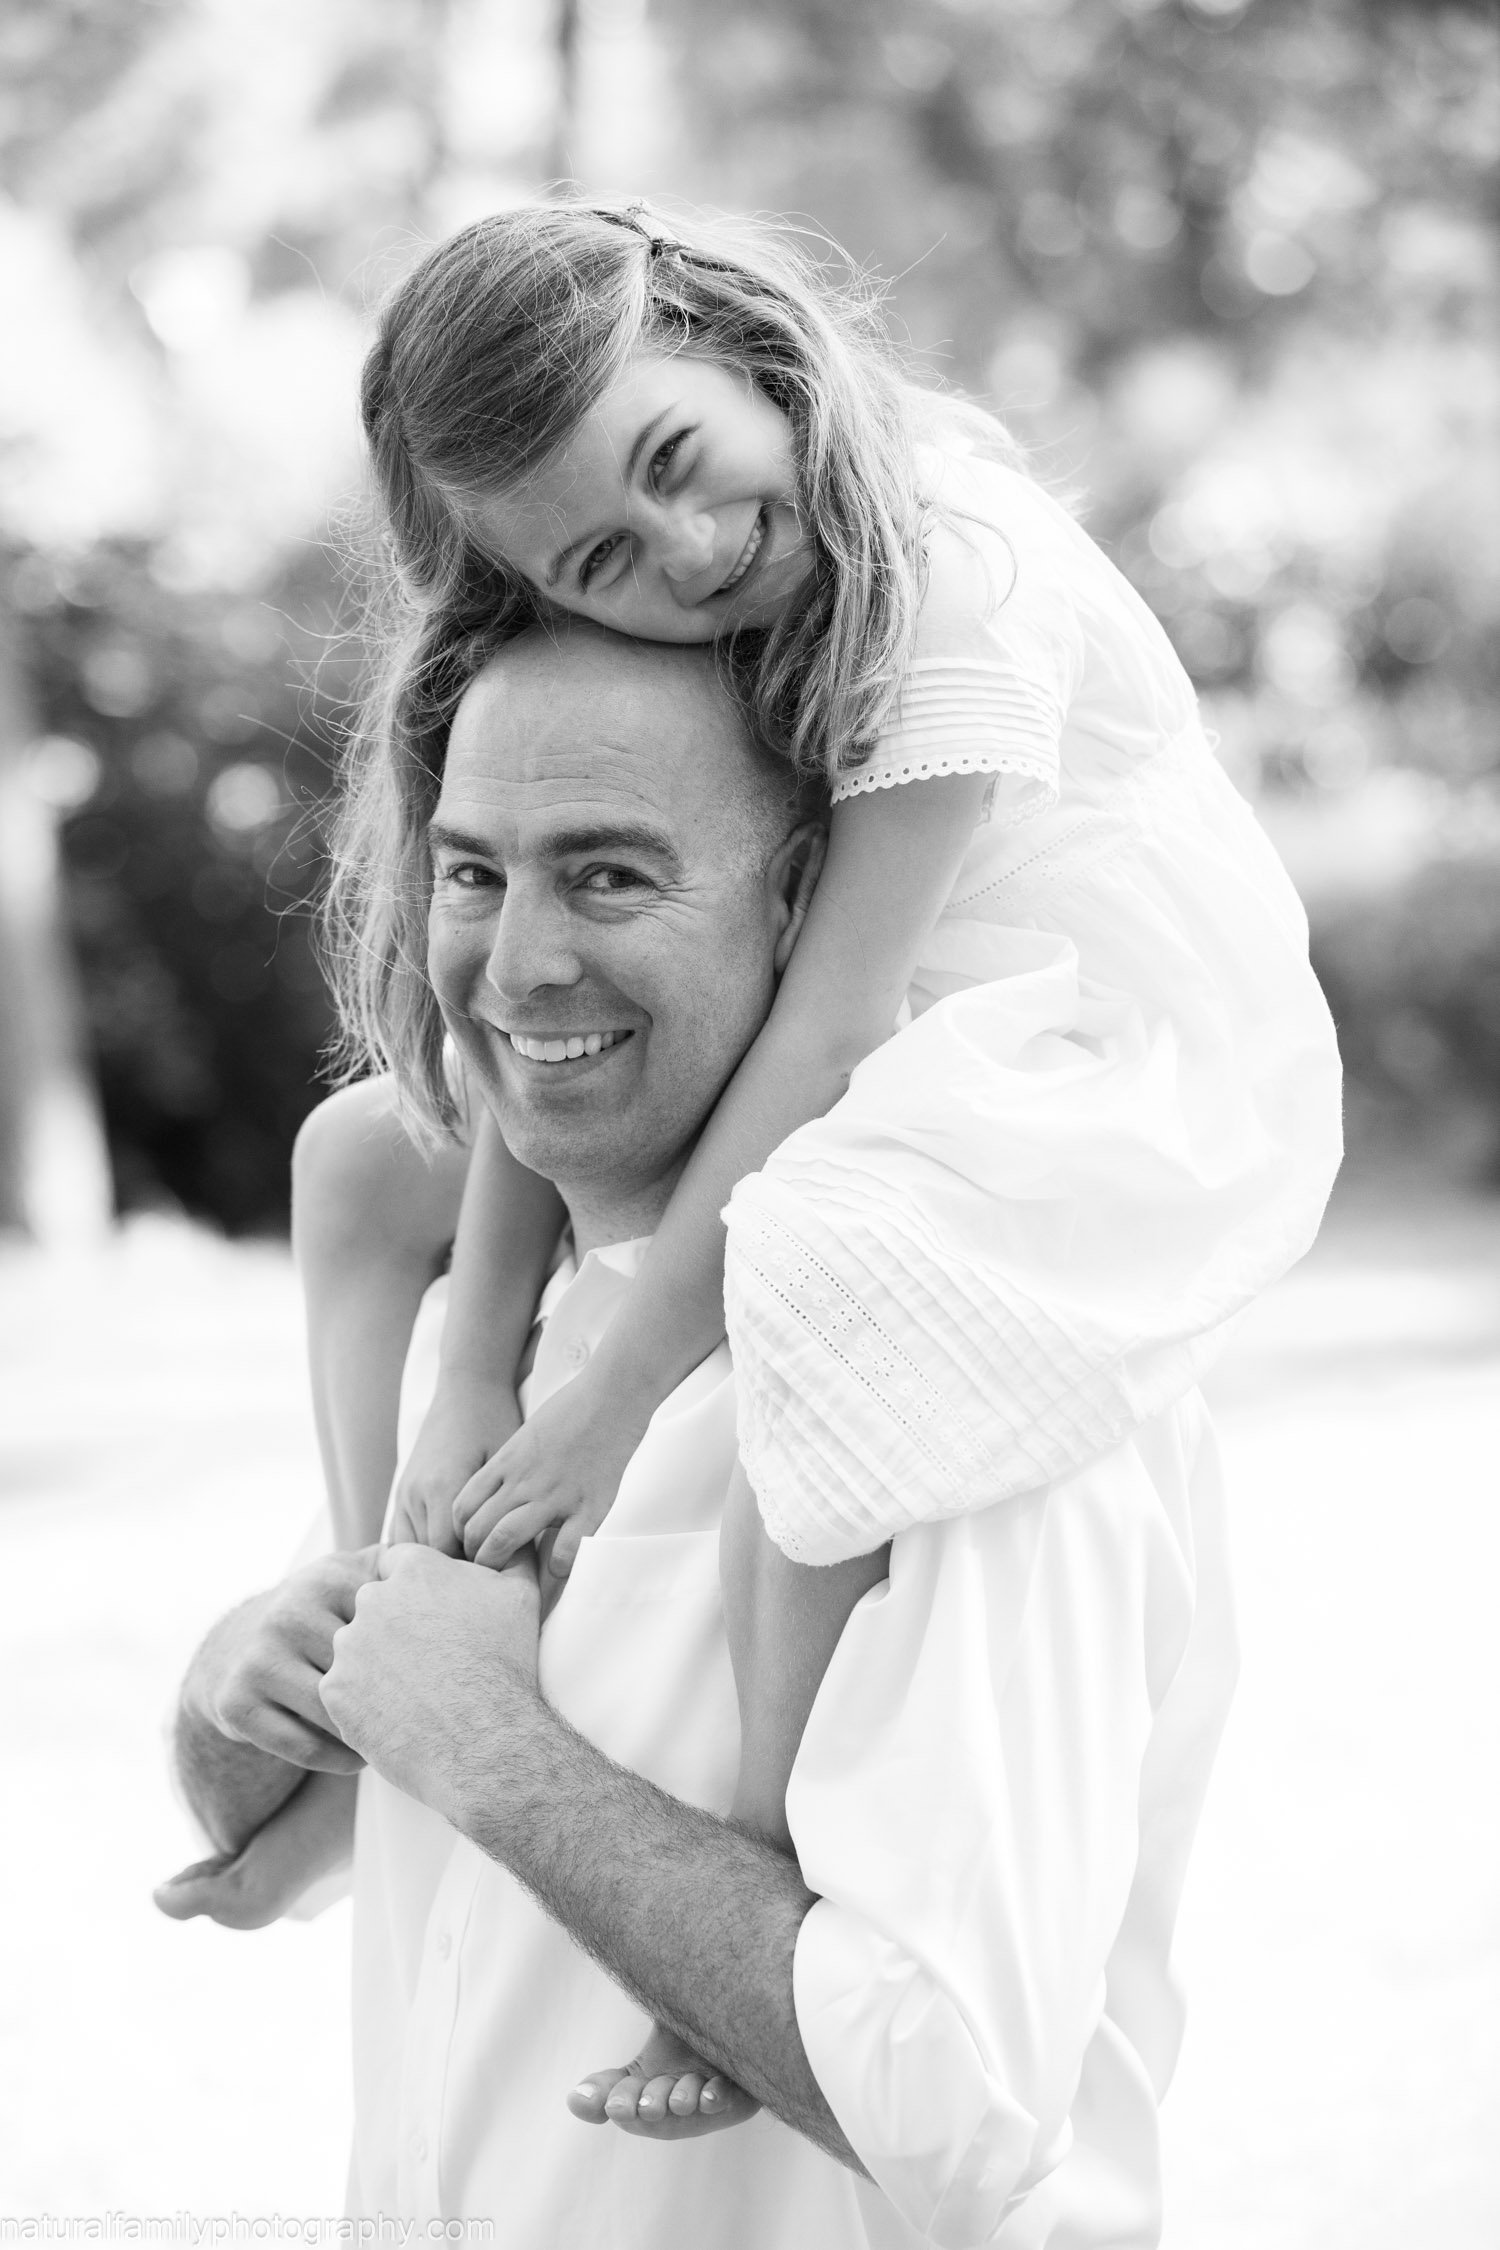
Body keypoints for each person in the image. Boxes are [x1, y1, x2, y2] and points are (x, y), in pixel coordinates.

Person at [293, 199, 1342, 2116]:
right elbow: (515, 1066)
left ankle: (766, 1871)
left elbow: (838, 1024)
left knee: (814, 1253)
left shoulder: (956, 571)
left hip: (1085, 1024)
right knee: (363, 1155)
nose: (689, 552)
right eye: (601, 558)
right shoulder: (655, 601)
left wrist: (606, 1396)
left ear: (736, 341)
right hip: (851, 985)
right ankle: (393, 1618)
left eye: (676, 459)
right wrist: (471, 1380)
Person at [161, 621, 1245, 2245]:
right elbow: (300, 1843)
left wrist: (488, 1745)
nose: (519, 963)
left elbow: (957, 2108)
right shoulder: (489, 1333)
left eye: (609, 876)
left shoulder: (992, 1368)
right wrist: (239, 1681)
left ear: (804, 901)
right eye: (474, 874)